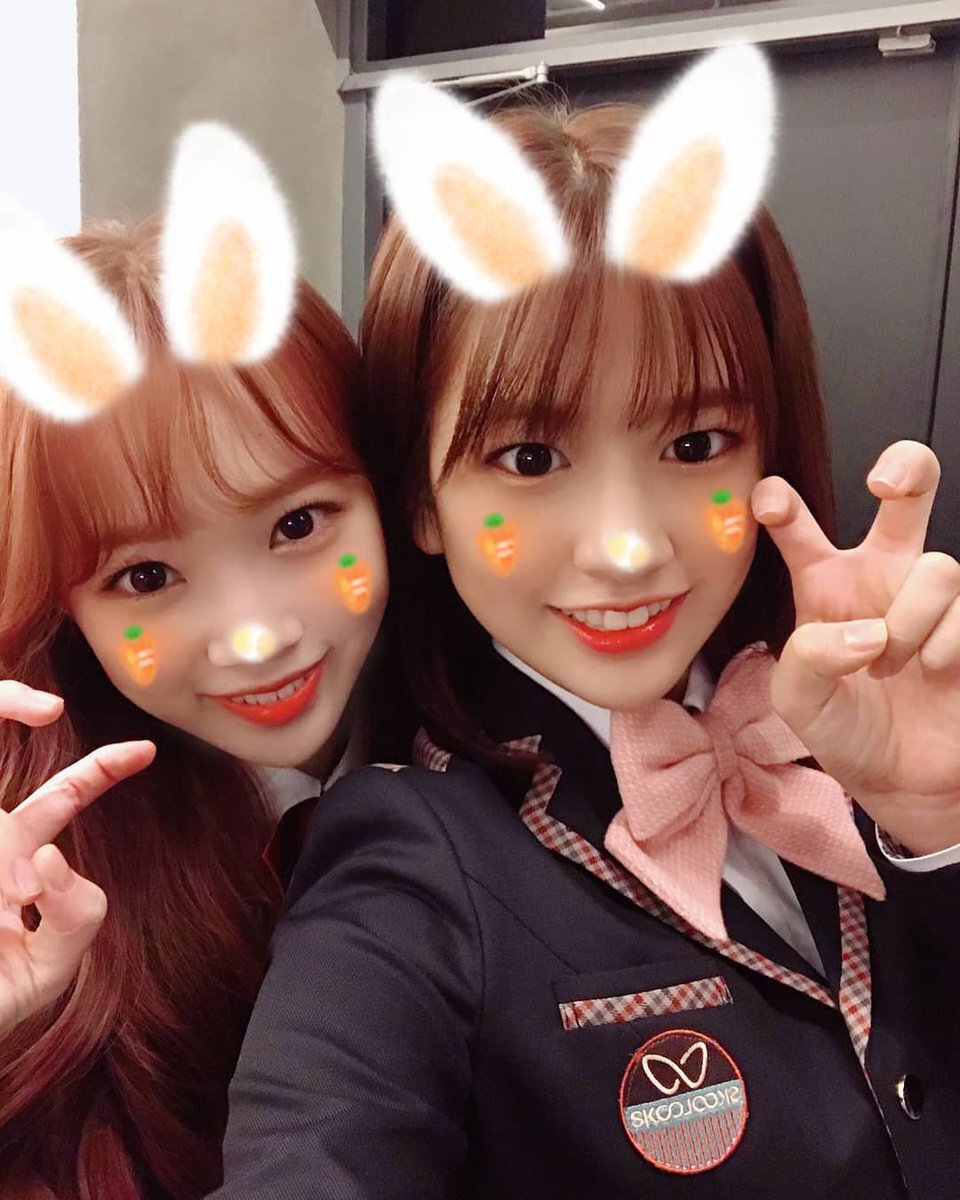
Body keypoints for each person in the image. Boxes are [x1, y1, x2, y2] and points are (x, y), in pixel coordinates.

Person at [213, 47, 960, 1197]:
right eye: (529, 457)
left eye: (695, 444)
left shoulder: (878, 719)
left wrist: (937, 828)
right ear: (422, 500)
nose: (626, 544)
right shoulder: (410, 868)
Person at [0, 126, 388, 1199]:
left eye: (300, 524)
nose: (253, 634)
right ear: (64, 608)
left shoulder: (539, 763)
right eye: (144, 577)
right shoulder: (44, 867)